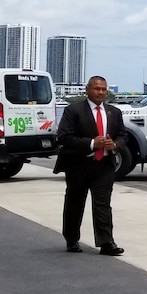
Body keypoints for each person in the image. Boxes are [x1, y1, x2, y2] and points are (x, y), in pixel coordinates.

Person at [55, 75, 127, 255]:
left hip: (104, 165)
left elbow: (123, 135)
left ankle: (106, 242)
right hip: (79, 164)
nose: (100, 92)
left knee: (103, 204)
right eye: (96, 88)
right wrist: (91, 143)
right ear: (87, 90)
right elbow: (64, 137)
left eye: (103, 89)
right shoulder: (73, 111)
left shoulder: (114, 112)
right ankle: (71, 239)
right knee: (75, 202)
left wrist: (115, 145)